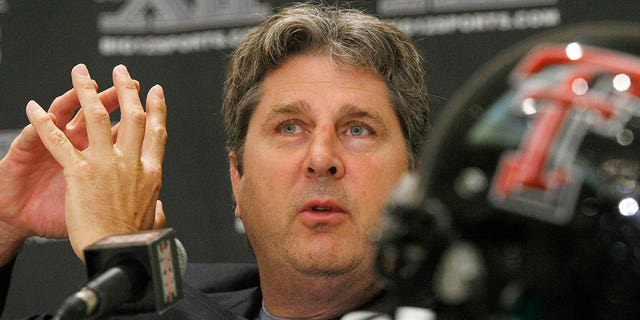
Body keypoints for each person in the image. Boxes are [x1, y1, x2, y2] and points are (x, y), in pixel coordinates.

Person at [0, 2, 429, 319]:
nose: (321, 158)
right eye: (289, 128)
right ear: (237, 178)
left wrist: (121, 249)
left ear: (413, 181)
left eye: (358, 129)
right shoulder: (181, 296)